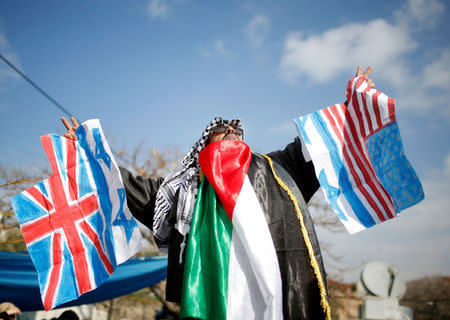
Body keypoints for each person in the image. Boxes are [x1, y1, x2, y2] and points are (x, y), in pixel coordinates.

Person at [62, 66, 376, 320]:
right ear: (203, 147)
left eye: (235, 131)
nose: (230, 131)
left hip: (280, 299)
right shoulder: (181, 192)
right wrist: (87, 153)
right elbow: (127, 188)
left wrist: (353, 107)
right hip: (213, 302)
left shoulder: (278, 170)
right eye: (221, 129)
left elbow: (315, 147)